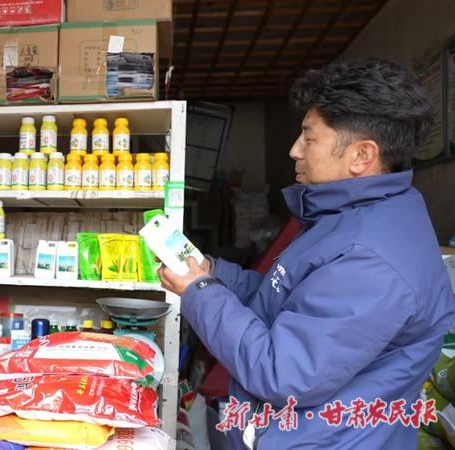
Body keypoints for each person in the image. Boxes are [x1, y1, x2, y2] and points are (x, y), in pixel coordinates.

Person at [159, 59, 455, 449]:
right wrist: (212, 273)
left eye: (309, 138)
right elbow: (282, 299)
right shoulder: (349, 216)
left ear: (361, 156)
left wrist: (199, 293)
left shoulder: (371, 259)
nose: (294, 150)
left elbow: (283, 372)